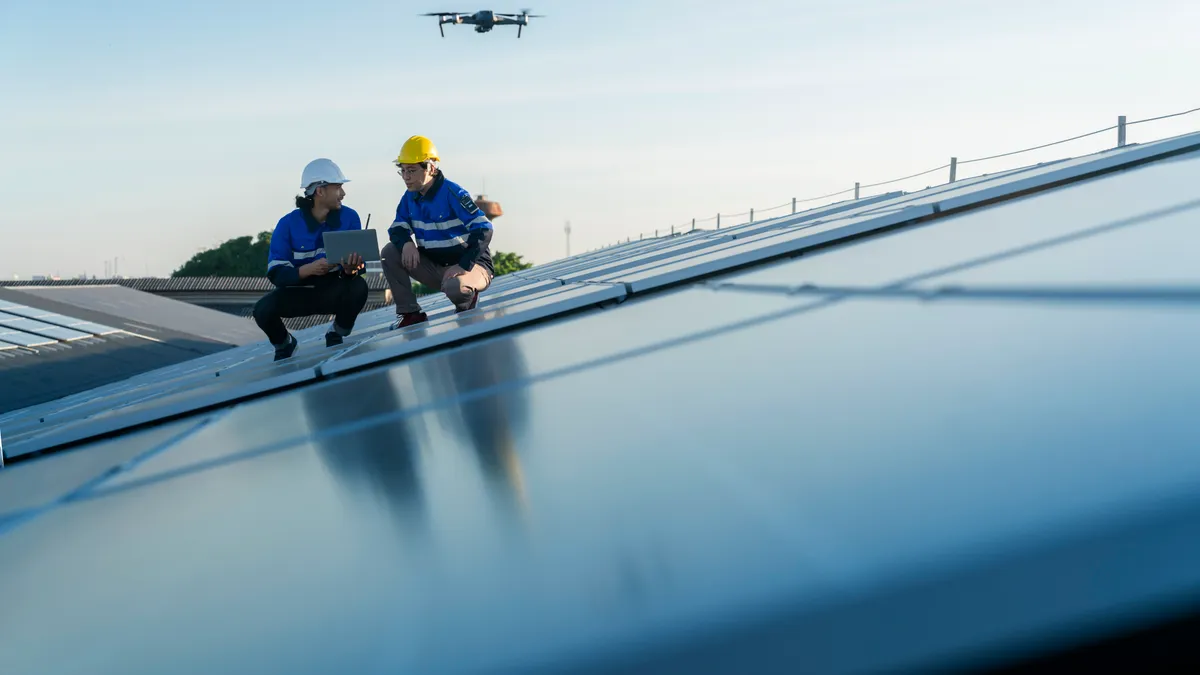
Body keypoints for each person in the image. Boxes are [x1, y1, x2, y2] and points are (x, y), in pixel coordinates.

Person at [253, 158, 369, 360]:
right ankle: (284, 344)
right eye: (338, 187)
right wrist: (309, 270)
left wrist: (351, 269)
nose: (343, 193)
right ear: (320, 191)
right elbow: (277, 274)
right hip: (298, 292)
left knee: (359, 287)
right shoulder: (287, 224)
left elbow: (358, 267)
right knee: (262, 310)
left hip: (333, 289)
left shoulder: (350, 218)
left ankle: (337, 333)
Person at [381, 135, 495, 329]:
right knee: (389, 252)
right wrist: (407, 243)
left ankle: (466, 305)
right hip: (436, 268)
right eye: (403, 171)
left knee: (456, 288)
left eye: (411, 170)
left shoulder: (453, 193)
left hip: (470, 266)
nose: (406, 176)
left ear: (431, 168)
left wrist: (463, 265)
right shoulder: (409, 197)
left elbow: (484, 228)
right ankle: (411, 313)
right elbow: (397, 228)